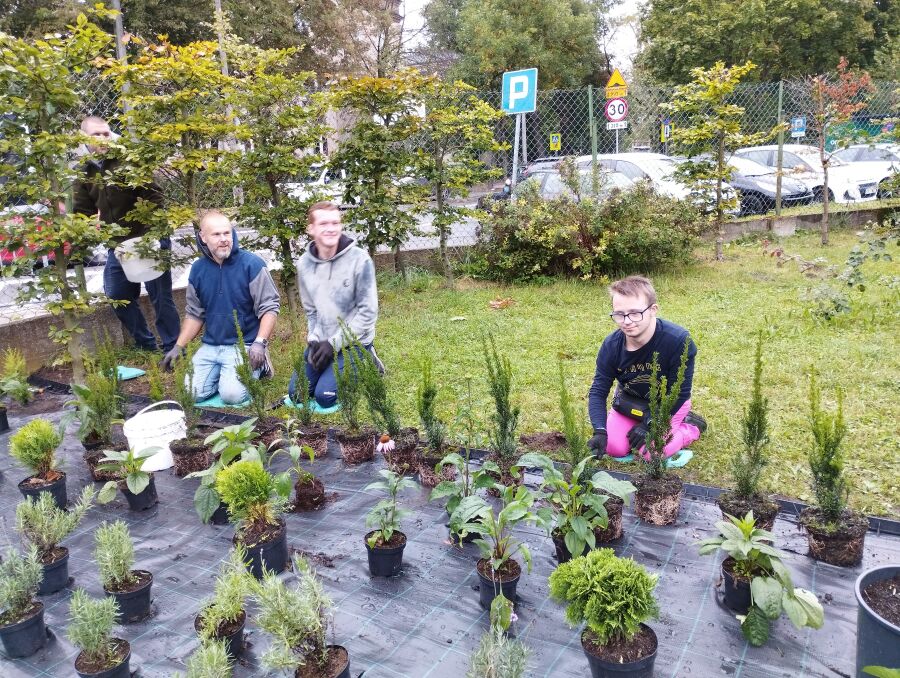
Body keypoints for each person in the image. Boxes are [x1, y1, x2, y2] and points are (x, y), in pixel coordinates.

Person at [73, 116, 180, 352]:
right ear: (83, 138)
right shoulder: (85, 170)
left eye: (106, 133)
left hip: (149, 237)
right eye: (96, 135)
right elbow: (83, 210)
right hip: (119, 245)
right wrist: (79, 230)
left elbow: (155, 196)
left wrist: (153, 236)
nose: (103, 138)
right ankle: (147, 346)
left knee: (160, 296)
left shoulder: (129, 157)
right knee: (117, 294)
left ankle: (173, 347)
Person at [160, 210, 280, 404]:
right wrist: (178, 346)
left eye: (227, 233)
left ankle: (260, 364)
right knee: (191, 394)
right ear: (203, 237)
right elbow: (194, 313)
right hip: (211, 346)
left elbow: (269, 307)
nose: (224, 239)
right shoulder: (198, 270)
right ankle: (227, 374)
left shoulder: (252, 264)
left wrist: (260, 342)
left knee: (232, 396)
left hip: (245, 344)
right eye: (216, 234)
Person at [587, 276, 706, 459]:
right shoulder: (612, 345)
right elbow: (598, 391)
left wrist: (650, 424)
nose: (627, 321)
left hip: (668, 404)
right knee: (613, 448)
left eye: (635, 313)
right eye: (619, 314)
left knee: (652, 452)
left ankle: (690, 426)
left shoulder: (679, 341)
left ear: (653, 310)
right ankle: (635, 425)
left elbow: (680, 393)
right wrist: (600, 431)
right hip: (631, 401)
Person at [289, 201, 380, 408]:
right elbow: (311, 311)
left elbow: (368, 314)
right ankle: (330, 365)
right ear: (310, 229)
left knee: (325, 397)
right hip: (323, 342)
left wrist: (334, 344)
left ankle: (368, 361)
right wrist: (314, 339)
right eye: (323, 224)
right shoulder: (304, 264)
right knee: (297, 394)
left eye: (335, 223)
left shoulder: (360, 260)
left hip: (355, 342)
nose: (331, 229)